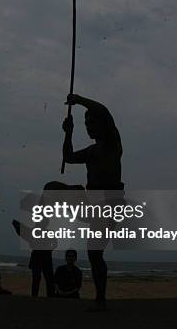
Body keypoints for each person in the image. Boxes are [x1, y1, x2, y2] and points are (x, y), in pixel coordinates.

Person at [45, 93, 124, 311]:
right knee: (51, 187)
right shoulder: (91, 151)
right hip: (92, 202)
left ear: (102, 125)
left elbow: (104, 111)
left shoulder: (112, 144)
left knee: (94, 253)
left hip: (109, 203)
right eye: (85, 123)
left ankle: (100, 298)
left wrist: (78, 99)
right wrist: (68, 133)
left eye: (91, 122)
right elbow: (68, 157)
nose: (88, 126)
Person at [12, 219, 56, 297]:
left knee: (47, 279)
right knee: (39, 279)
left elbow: (55, 244)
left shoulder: (46, 232)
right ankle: (38, 296)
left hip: (43, 258)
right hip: (40, 258)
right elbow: (23, 233)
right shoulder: (36, 231)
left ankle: (47, 296)